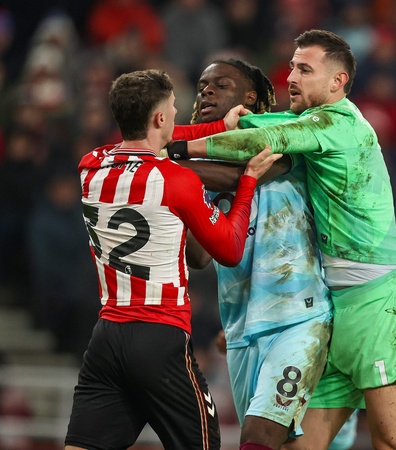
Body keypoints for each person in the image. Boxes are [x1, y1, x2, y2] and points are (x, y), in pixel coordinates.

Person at [167, 29, 396, 449]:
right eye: (291, 67)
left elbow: (261, 140)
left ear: (337, 81)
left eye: (305, 70)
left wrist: (169, 153)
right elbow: (259, 127)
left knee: (393, 444)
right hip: (336, 309)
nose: (291, 77)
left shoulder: (336, 123)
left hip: (380, 306)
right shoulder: (305, 124)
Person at [65, 68, 280, 450]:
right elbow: (230, 250)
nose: (179, 115)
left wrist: (218, 128)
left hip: (107, 336)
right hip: (160, 337)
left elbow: (156, 135)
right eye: (174, 108)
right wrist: (248, 181)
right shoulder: (176, 180)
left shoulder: (89, 165)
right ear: (161, 117)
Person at [172, 58, 351, 450]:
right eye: (202, 87)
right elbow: (199, 258)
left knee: (259, 436)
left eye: (221, 84)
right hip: (240, 326)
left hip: (299, 317)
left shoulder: (284, 138)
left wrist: (173, 162)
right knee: (275, 443)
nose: (207, 91)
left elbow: (242, 175)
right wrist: (183, 199)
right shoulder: (197, 173)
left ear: (250, 98)